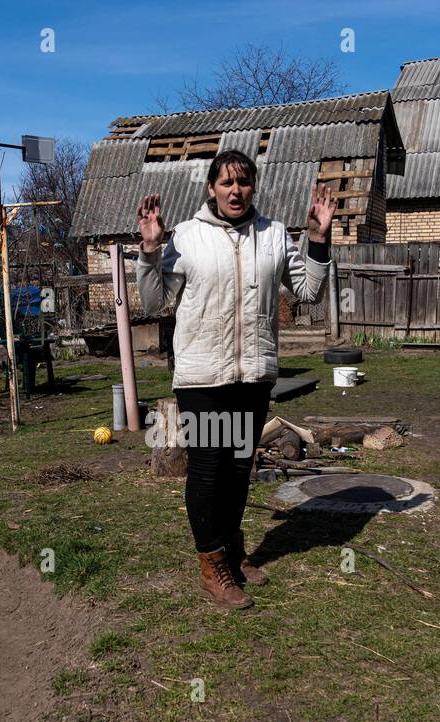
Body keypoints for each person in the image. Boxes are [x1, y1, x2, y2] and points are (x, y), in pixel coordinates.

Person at [137, 149, 335, 608]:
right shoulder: (185, 237)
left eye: (243, 182)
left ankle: (231, 547)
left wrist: (319, 239)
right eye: (226, 183)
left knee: (237, 468)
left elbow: (309, 291)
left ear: (253, 187)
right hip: (203, 378)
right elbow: (152, 303)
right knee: (207, 468)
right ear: (211, 188)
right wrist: (149, 249)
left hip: (253, 376)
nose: (235, 191)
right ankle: (212, 566)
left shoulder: (274, 236)